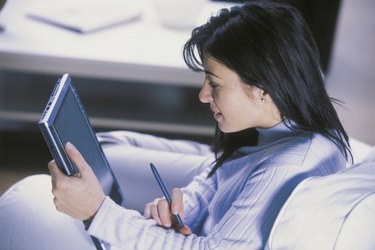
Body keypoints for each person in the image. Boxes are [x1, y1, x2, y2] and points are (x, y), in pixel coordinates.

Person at [0, 1, 352, 249]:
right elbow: (224, 173)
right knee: (103, 150)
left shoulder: (285, 168)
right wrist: (192, 204)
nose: (202, 96)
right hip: (207, 202)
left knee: (27, 198)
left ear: (261, 89)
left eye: (214, 84)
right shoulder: (285, 121)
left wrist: (98, 212)